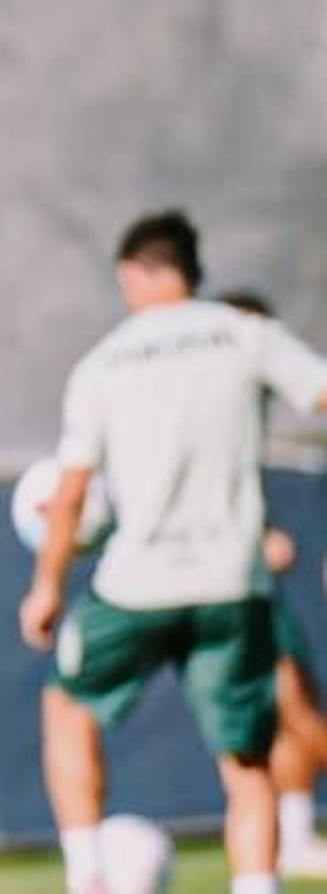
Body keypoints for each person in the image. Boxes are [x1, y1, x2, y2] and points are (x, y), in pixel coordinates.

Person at [18, 209, 327, 894]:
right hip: (233, 581)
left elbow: (71, 494)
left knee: (67, 707)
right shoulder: (245, 333)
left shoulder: (104, 362)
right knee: (246, 763)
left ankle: (88, 875)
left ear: (135, 273)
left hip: (136, 585)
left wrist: (46, 587)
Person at [220, 288, 327, 879]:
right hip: (223, 587)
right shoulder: (203, 404)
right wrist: (249, 542)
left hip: (253, 582)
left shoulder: (246, 412)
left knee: (289, 710)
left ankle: (294, 832)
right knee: (294, 706)